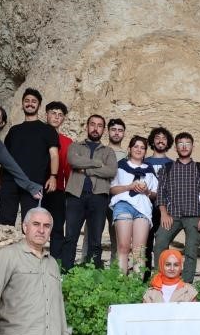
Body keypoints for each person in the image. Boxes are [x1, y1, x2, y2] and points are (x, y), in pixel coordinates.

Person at [154, 132, 200, 283]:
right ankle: (160, 281)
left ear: (193, 146)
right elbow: (161, 193)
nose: (184, 146)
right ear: (175, 147)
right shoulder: (167, 168)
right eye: (181, 143)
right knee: (160, 242)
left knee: (191, 250)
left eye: (187, 143)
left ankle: (185, 285)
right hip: (172, 215)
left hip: (194, 216)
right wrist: (163, 213)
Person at [62, 114, 118, 270]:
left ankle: (92, 274)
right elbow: (73, 161)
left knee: (95, 240)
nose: (95, 128)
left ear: (103, 130)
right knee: (70, 237)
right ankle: (65, 272)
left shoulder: (109, 151)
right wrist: (97, 164)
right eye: (92, 124)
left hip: (99, 198)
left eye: (99, 125)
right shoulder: (75, 146)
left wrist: (86, 170)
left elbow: (111, 171)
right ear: (87, 127)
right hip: (75, 196)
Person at [0, 89, 59, 227]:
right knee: (4, 224)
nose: (30, 104)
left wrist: (53, 176)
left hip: (34, 183)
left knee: (32, 224)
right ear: (22, 104)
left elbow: (54, 155)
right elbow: (5, 159)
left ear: (39, 105)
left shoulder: (48, 130)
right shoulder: (14, 130)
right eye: (27, 101)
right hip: (9, 182)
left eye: (33, 101)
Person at [109, 135, 159, 274]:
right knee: (123, 246)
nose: (139, 149)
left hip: (143, 208)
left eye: (142, 147)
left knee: (139, 250)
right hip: (124, 204)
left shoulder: (149, 169)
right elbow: (112, 189)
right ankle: (121, 285)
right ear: (130, 149)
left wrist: (146, 190)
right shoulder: (120, 166)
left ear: (145, 151)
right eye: (136, 146)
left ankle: (135, 288)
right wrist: (129, 187)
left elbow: (155, 193)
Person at [143, 127, 175, 274]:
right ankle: (145, 278)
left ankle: (162, 277)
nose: (160, 140)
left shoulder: (173, 164)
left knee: (162, 244)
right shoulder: (144, 162)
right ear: (152, 141)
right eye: (157, 137)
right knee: (145, 244)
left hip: (166, 210)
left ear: (168, 142)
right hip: (145, 208)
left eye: (164, 138)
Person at [43, 102, 72, 259]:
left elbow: (68, 168)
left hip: (58, 190)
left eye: (60, 115)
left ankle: (55, 264)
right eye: (53, 113)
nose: (56, 117)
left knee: (57, 228)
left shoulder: (67, 142)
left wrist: (68, 192)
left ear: (63, 119)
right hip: (37, 187)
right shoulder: (37, 135)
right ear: (46, 114)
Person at [105, 117, 128, 257]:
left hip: (118, 197)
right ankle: (87, 263)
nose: (116, 133)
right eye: (113, 129)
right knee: (92, 232)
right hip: (99, 195)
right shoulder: (101, 150)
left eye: (120, 130)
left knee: (117, 235)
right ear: (108, 131)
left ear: (124, 133)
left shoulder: (128, 155)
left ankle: (115, 269)